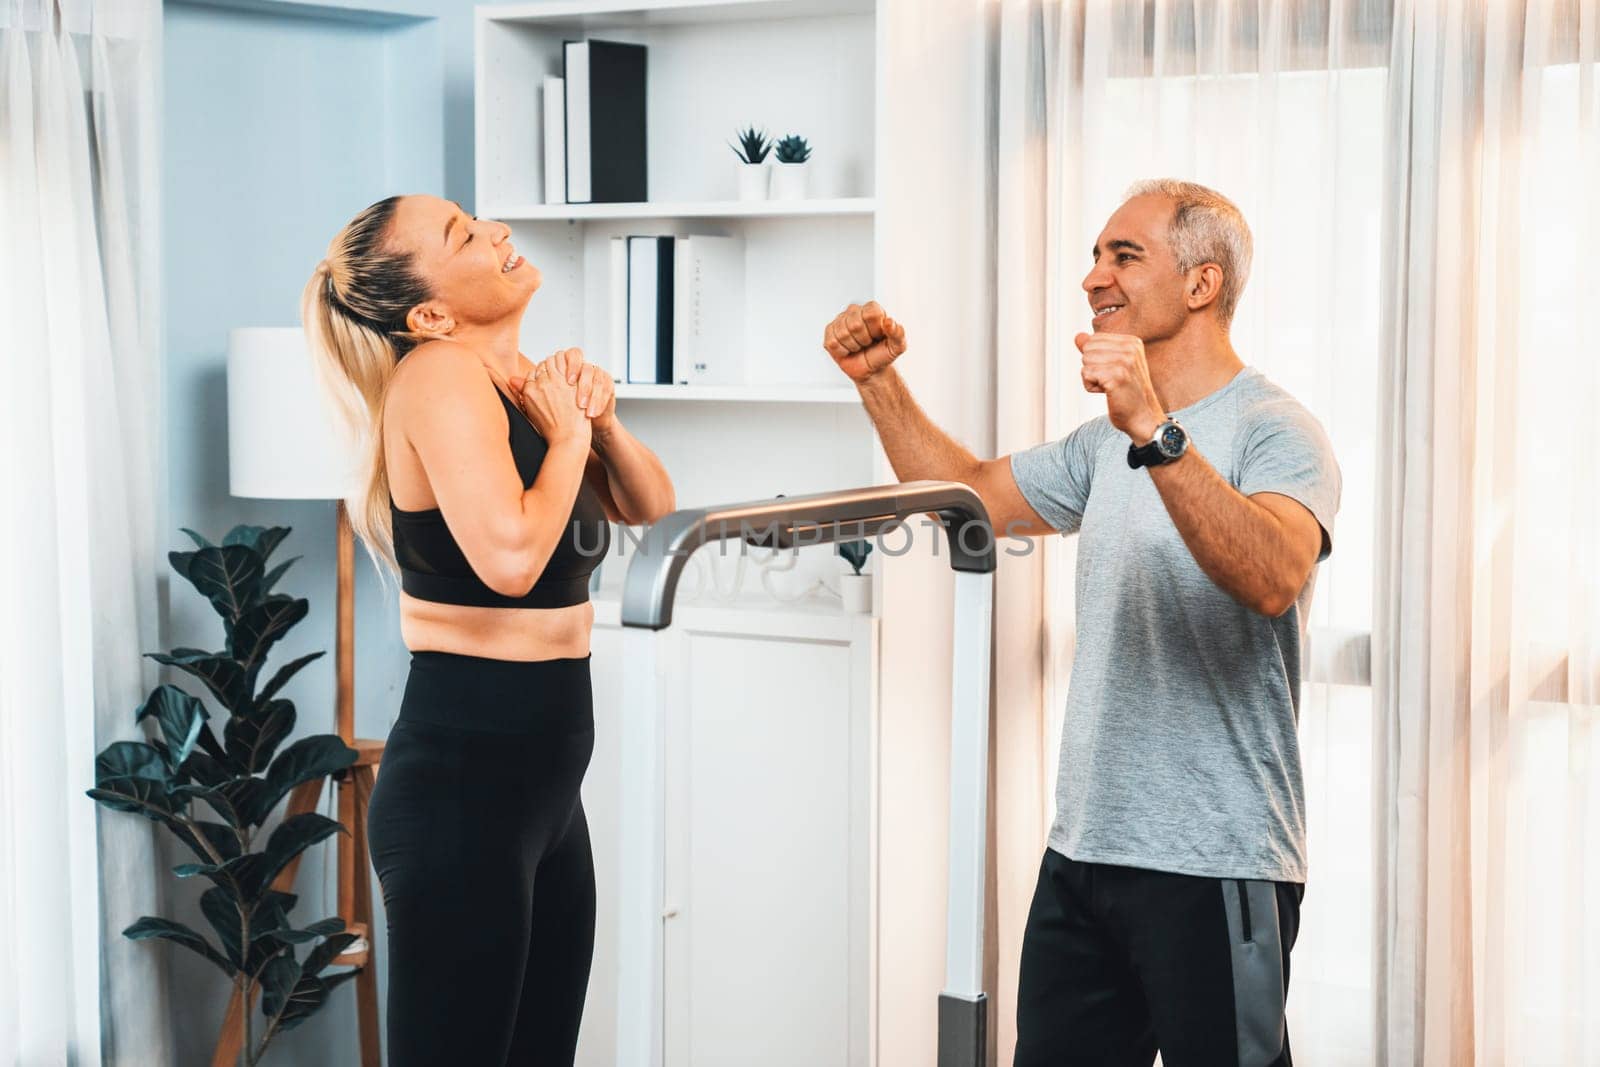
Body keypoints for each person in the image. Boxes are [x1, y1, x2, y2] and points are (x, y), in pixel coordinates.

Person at [822, 179, 1341, 1066]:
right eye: (1096, 255)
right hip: (1086, 851)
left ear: (1201, 283)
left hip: (1218, 858)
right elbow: (967, 496)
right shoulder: (1100, 443)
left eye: (1122, 255)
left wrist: (1155, 428)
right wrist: (879, 384)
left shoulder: (1276, 428)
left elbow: (1271, 574)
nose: (1093, 276)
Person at [301, 194, 675, 1065]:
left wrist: (599, 420)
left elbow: (649, 503)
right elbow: (510, 557)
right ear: (429, 314)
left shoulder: (522, 385)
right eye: (462, 236)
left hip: (543, 795)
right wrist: (570, 441)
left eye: (478, 219)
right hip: (463, 796)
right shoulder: (436, 378)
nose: (496, 231)